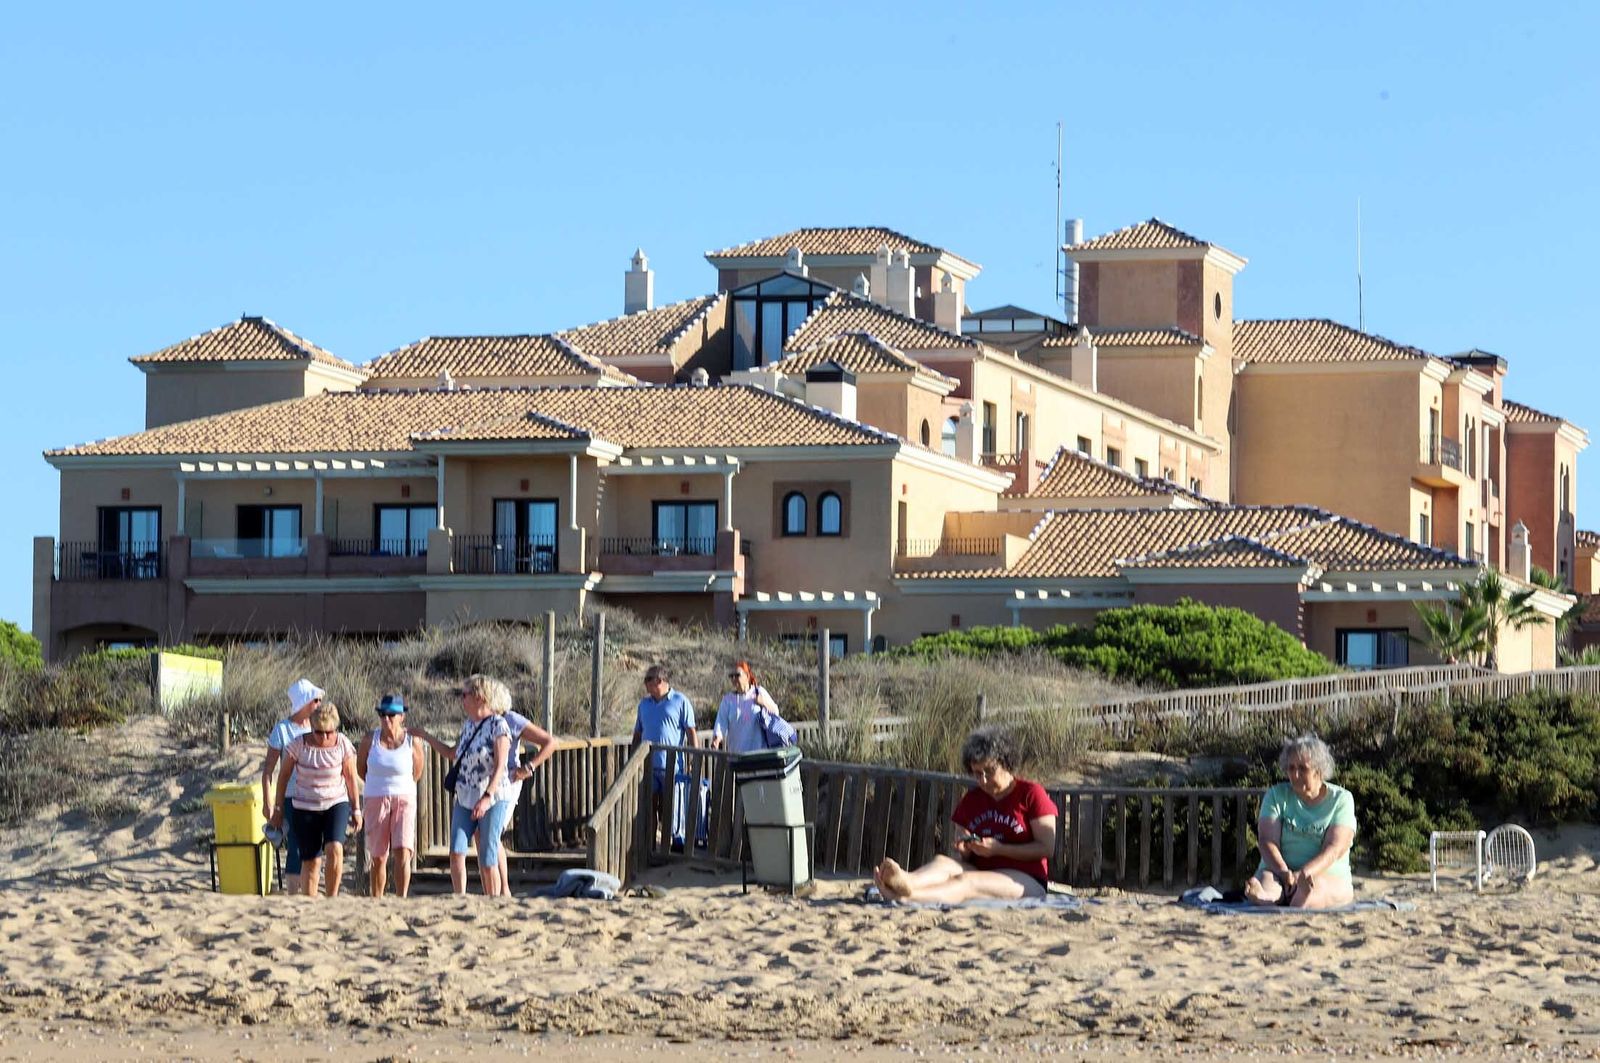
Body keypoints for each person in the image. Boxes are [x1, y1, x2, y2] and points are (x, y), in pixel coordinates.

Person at [874, 730, 1057, 904]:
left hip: (1025, 878)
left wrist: (999, 849)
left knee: (967, 881)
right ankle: (907, 881)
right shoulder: (972, 799)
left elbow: (1046, 848)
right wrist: (965, 848)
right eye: (977, 773)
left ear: (1006, 763)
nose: (983, 780)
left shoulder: (1031, 793)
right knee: (942, 863)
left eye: (989, 771)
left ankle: (907, 897)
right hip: (980, 868)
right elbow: (962, 850)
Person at [413, 674, 512, 896]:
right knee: (457, 850)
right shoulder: (469, 725)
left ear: (480, 697)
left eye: (465, 694)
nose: (462, 699)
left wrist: (487, 797)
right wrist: (425, 736)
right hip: (465, 794)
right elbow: (452, 753)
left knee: (487, 856)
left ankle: (493, 901)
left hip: (492, 797)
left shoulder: (499, 725)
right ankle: (460, 898)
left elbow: (500, 766)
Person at [1243, 733, 1357, 909]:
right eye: (1291, 768)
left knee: (1316, 889)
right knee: (1267, 882)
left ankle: (1300, 899)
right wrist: (1284, 872)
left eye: (1303, 769)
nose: (1295, 774)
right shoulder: (1276, 795)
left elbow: (1334, 849)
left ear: (1319, 771)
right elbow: (1267, 840)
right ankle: (1265, 897)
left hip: (1326, 875)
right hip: (1279, 872)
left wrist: (1304, 874)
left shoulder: (1341, 800)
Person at [269, 701, 360, 898]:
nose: (324, 737)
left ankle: (331, 898)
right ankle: (310, 903)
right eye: (319, 732)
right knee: (311, 860)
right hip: (305, 806)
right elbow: (283, 777)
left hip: (335, 802)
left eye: (329, 732)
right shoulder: (298, 745)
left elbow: (351, 778)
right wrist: (278, 808)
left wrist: (356, 809)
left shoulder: (343, 744)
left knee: (334, 847)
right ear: (312, 727)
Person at [356, 693, 425, 898]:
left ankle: (401, 897)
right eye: (382, 714)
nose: (386, 719)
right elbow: (361, 769)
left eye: (391, 715)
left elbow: (417, 772)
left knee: (403, 850)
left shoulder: (412, 741)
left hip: (404, 797)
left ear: (401, 716)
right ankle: (377, 898)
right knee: (378, 856)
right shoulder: (370, 739)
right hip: (376, 797)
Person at [261, 678, 323, 894]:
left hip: (316, 794)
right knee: (296, 842)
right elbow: (268, 770)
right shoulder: (283, 729)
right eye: (316, 700)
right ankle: (294, 893)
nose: (319, 704)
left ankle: (309, 889)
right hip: (291, 795)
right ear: (305, 703)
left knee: (314, 844)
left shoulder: (318, 727)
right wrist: (269, 803)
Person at [712, 661, 786, 754]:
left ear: (747, 676)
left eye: (737, 675)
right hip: (737, 754)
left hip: (759, 752)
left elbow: (775, 712)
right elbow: (721, 722)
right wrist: (717, 739)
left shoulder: (759, 692)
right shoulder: (727, 700)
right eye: (731, 676)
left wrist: (763, 703)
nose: (734, 679)